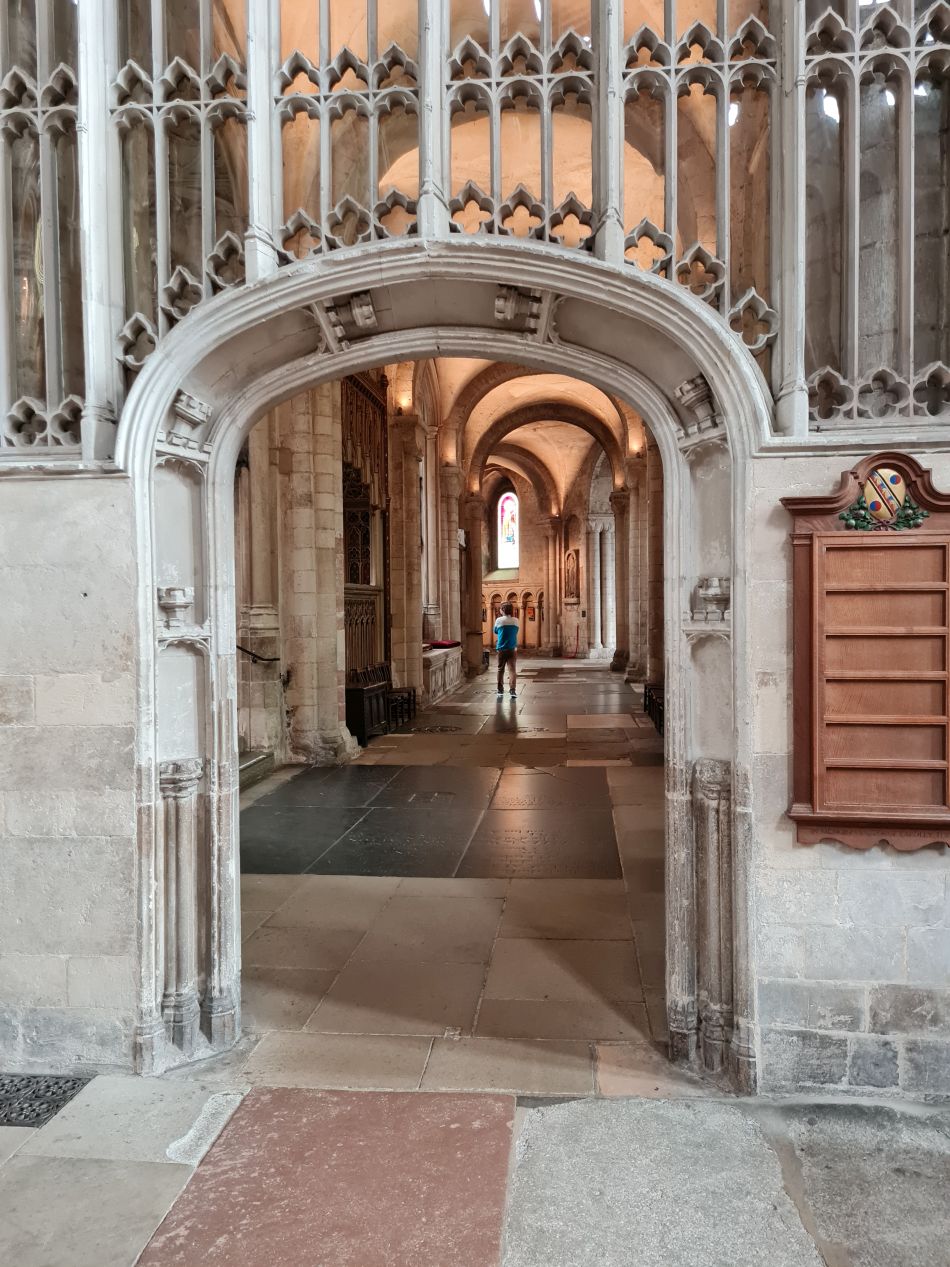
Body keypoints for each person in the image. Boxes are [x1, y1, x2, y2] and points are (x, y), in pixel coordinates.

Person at [493, 601, 519, 698]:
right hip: (512, 648)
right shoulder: (516, 620)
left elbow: (495, 631)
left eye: (500, 608)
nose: (499, 610)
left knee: (500, 669)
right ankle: (512, 690)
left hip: (501, 648)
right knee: (512, 670)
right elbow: (516, 631)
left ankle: (500, 690)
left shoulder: (499, 620)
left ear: (503, 610)